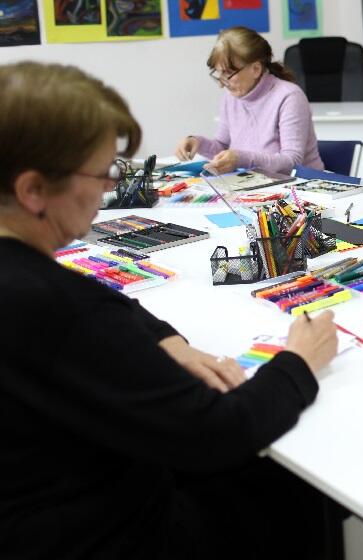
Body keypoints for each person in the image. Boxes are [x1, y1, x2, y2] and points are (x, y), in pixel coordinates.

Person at [0, 62, 340, 558]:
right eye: (102, 173)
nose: (107, 190)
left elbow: (97, 303)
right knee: (298, 489)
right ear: (33, 191)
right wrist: (300, 361)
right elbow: (221, 430)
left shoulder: (34, 284)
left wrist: (167, 342)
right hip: (101, 534)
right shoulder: (55, 310)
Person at [174, 26, 323, 175]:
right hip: (254, 186)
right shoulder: (231, 97)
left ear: (256, 69)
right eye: (219, 73)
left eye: (229, 73)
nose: (221, 83)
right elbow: (222, 147)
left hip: (302, 188)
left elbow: (292, 162)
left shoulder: (290, 96)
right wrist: (197, 143)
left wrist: (240, 159)